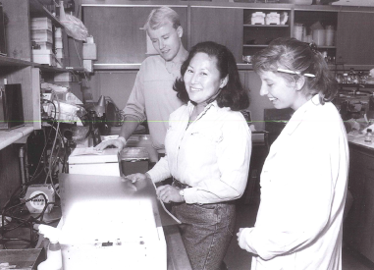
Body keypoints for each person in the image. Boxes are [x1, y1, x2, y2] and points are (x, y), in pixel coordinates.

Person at [127, 41, 251, 270]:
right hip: (176, 207)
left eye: (204, 73)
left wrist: (184, 195)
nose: (194, 80)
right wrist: (148, 178)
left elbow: (234, 186)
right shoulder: (180, 114)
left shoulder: (231, 121)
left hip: (210, 216)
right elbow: (172, 160)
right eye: (191, 71)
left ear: (223, 80)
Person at [236, 37, 349, 270]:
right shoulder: (313, 115)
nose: (262, 90)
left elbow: (308, 221)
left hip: (299, 259)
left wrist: (255, 240)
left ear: (297, 80)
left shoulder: (319, 126)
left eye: (269, 82)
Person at [95, 6, 189, 161]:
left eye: (165, 37)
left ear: (179, 32)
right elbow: (135, 111)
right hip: (162, 158)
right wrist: (121, 139)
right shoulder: (148, 67)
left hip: (194, 157)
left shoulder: (197, 66)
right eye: (154, 40)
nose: (161, 46)